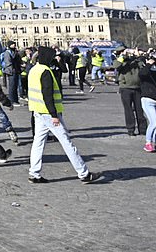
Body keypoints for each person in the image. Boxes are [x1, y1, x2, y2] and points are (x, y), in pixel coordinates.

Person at [27, 46, 102, 183]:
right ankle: (83, 173)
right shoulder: (45, 72)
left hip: (37, 111)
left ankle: (34, 172)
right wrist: (54, 115)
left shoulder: (34, 70)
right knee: (66, 142)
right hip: (49, 112)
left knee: (38, 142)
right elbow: (47, 95)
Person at [116, 48, 147, 136]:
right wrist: (123, 56)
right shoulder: (120, 60)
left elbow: (144, 67)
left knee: (140, 109)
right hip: (125, 88)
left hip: (137, 87)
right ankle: (130, 129)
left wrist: (138, 56)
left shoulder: (137, 61)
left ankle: (143, 129)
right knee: (128, 109)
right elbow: (116, 66)